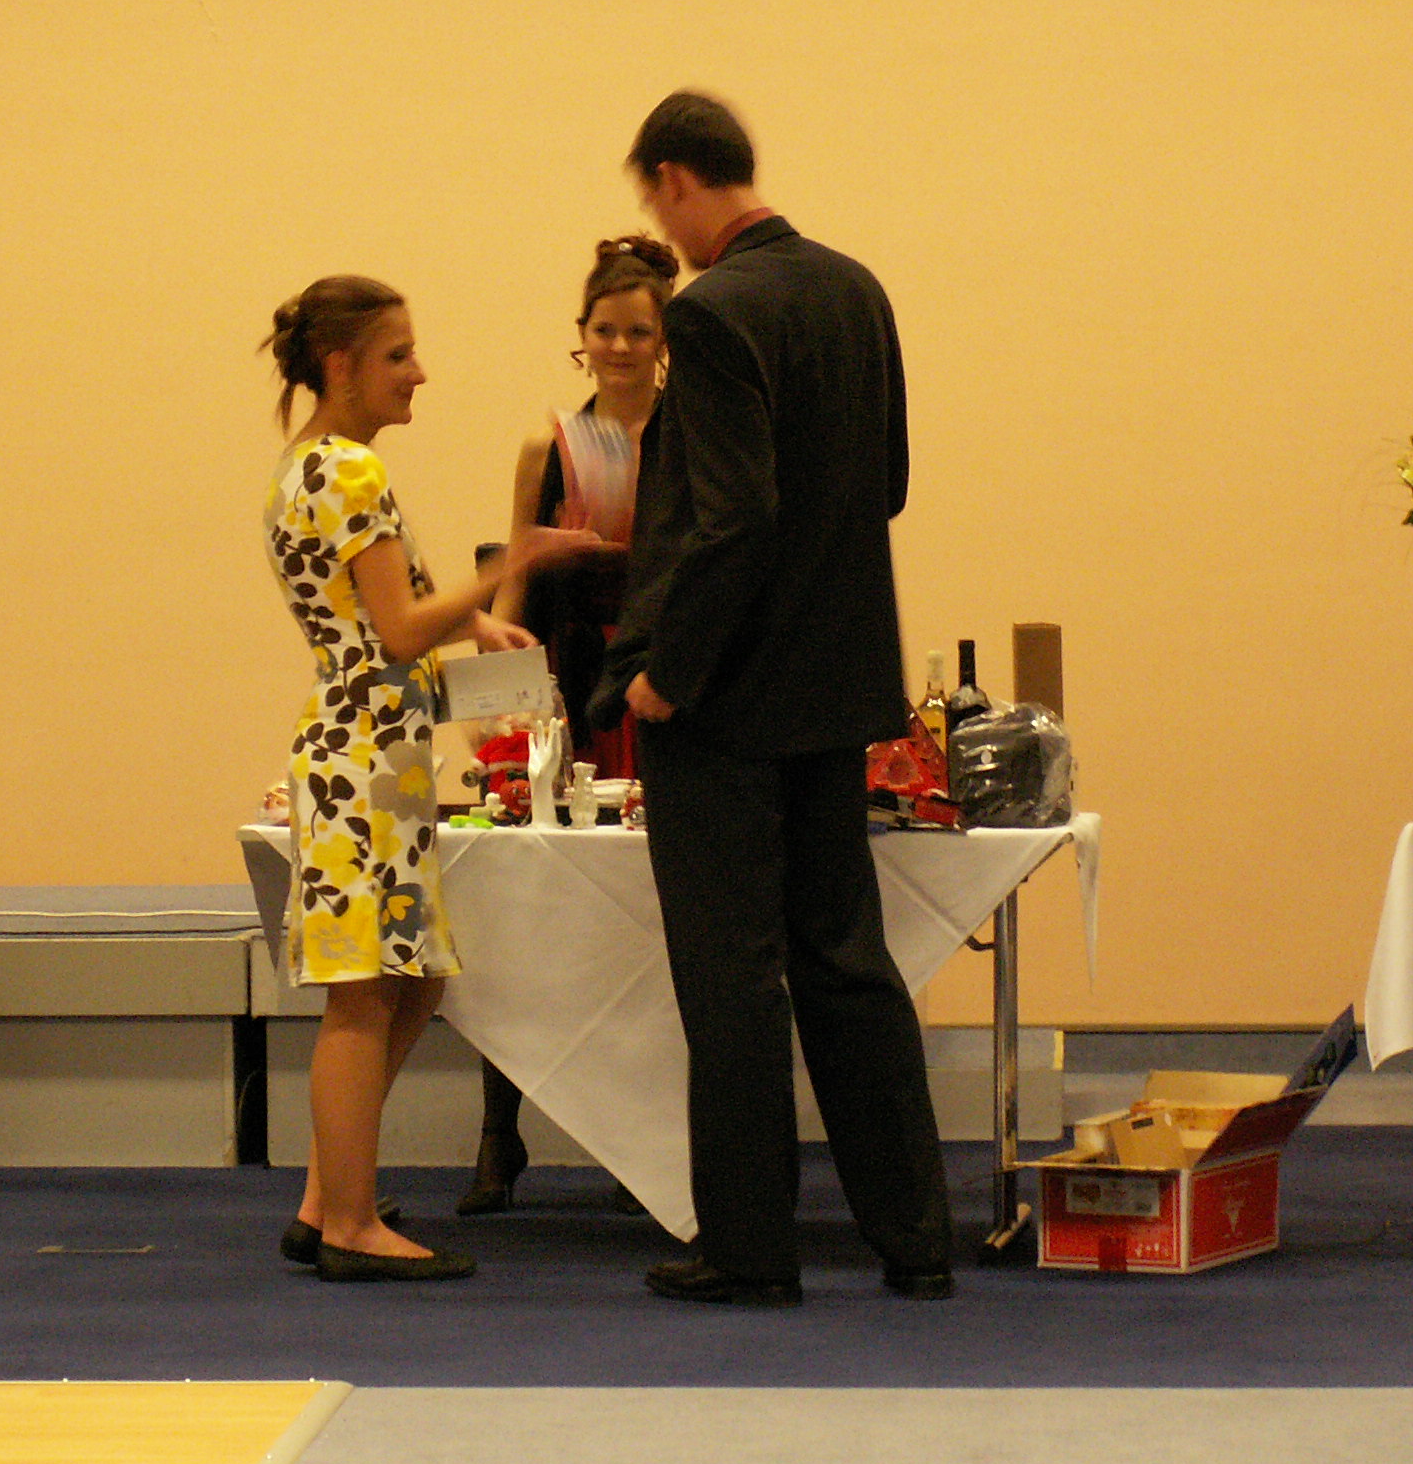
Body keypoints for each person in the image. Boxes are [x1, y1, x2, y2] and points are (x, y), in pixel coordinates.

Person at [589, 92, 955, 1306]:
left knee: (732, 977)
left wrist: (666, 674)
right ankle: (914, 1237)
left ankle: (750, 1250)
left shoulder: (714, 313)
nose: (664, 230)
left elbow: (731, 518)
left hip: (730, 701)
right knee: (848, 959)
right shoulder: (856, 291)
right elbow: (887, 483)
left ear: (676, 179)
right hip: (837, 687)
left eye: (657, 203)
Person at [261, 275, 599, 1282]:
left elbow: (381, 625)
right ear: (341, 366)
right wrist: (510, 564)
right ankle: (348, 1222)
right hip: (363, 760)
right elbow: (401, 629)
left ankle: (328, 1200)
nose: (418, 373)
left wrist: (475, 621)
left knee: (413, 979)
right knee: (364, 996)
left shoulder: (307, 466)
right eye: (398, 355)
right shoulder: (351, 470)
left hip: (371, 749)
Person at [456, 233, 678, 1217]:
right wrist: (493, 699)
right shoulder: (546, 445)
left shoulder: (695, 434)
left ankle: (644, 1144)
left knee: (650, 927)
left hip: (660, 690)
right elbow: (513, 578)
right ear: (579, 337)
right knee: (528, 918)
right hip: (566, 689)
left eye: (639, 332)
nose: (619, 348)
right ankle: (499, 1132)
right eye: (604, 330)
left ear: (665, 341)